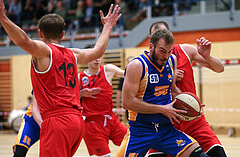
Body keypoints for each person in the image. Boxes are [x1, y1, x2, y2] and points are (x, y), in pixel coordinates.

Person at [0, 0, 121, 156]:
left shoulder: (44, 52)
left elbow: (22, 40)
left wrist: (3, 17)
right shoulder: (73, 53)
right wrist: (107, 27)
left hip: (57, 121)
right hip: (77, 121)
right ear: (63, 34)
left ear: (40, 33)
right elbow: (97, 51)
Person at [120, 29, 209, 157]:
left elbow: (172, 90)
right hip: (140, 131)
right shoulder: (137, 65)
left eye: (169, 51)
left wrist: (190, 105)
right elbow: (127, 103)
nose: (166, 56)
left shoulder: (172, 60)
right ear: (151, 46)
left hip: (166, 129)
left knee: (199, 155)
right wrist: (162, 109)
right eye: (162, 51)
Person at [147, 21, 226, 157]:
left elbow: (220, 68)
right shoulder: (145, 63)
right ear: (151, 40)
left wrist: (207, 56)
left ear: (171, 35)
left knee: (218, 153)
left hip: (192, 117)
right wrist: (167, 76)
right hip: (165, 122)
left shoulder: (186, 50)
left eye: (165, 34)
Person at [79, 44, 128, 157]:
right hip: (92, 124)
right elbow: (69, 99)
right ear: (86, 58)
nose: (97, 59)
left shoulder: (108, 70)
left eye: (99, 55)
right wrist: (82, 93)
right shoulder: (79, 78)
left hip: (110, 119)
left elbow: (128, 74)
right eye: (94, 56)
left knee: (133, 142)